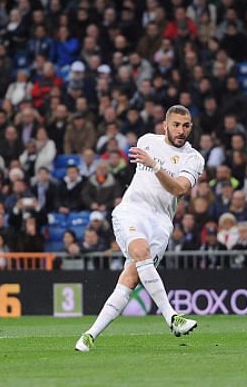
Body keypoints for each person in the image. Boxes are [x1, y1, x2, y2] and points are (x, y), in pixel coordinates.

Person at [75, 105, 205, 352]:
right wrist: (155, 164)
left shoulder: (194, 158)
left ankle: (89, 335)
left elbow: (179, 189)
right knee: (141, 251)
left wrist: (156, 166)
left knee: (130, 280)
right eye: (176, 125)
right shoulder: (147, 141)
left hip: (161, 222)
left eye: (186, 126)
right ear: (165, 125)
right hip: (133, 211)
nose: (181, 130)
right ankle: (173, 318)